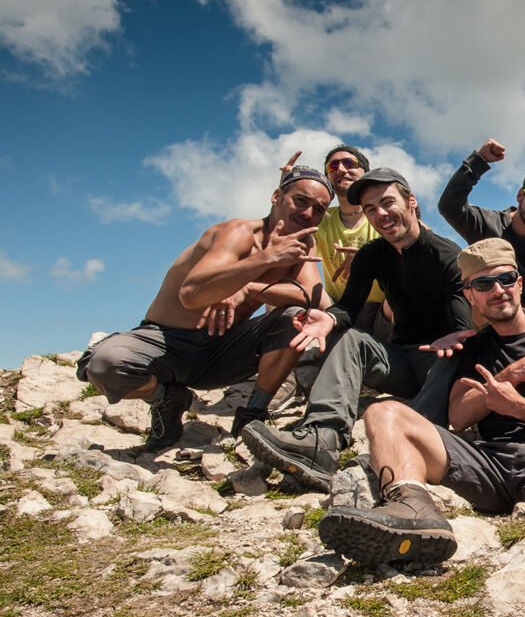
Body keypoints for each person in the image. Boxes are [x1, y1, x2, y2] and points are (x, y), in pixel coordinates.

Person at [318, 238, 525, 617]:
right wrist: (509, 377)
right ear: (469, 296)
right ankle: (412, 511)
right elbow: (459, 416)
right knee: (383, 411)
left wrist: (518, 406)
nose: (496, 290)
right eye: (483, 285)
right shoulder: (473, 347)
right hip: (488, 462)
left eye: (505, 278)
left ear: (521, 284)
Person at [240, 167, 472, 489]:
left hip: (441, 362)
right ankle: (323, 440)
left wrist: (454, 336)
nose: (381, 214)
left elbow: (463, 328)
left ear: (411, 202)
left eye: (388, 203)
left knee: (453, 352)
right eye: (370, 209)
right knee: (351, 339)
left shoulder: (448, 256)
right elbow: (349, 308)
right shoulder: (372, 255)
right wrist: (329, 318)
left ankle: (415, 439)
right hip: (402, 359)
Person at [78, 166, 336, 450]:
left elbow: (314, 298)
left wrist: (249, 287)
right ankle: (165, 398)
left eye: (319, 209)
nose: (308, 213)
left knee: (295, 318)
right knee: (104, 365)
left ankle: (252, 415)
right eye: (301, 201)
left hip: (223, 351)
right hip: (168, 342)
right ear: (277, 196)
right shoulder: (237, 233)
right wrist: (264, 260)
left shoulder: (303, 244)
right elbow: (192, 294)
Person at [437, 137, 525, 309]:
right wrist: (478, 161)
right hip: (492, 311)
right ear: (521, 195)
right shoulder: (485, 223)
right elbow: (449, 206)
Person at [315, 144, 391, 340]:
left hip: (384, 311)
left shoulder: (385, 215)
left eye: (349, 163)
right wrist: (286, 191)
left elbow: (423, 244)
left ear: (365, 172)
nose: (341, 169)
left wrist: (367, 259)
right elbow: (281, 236)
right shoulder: (320, 219)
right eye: (333, 167)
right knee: (282, 272)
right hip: (336, 308)